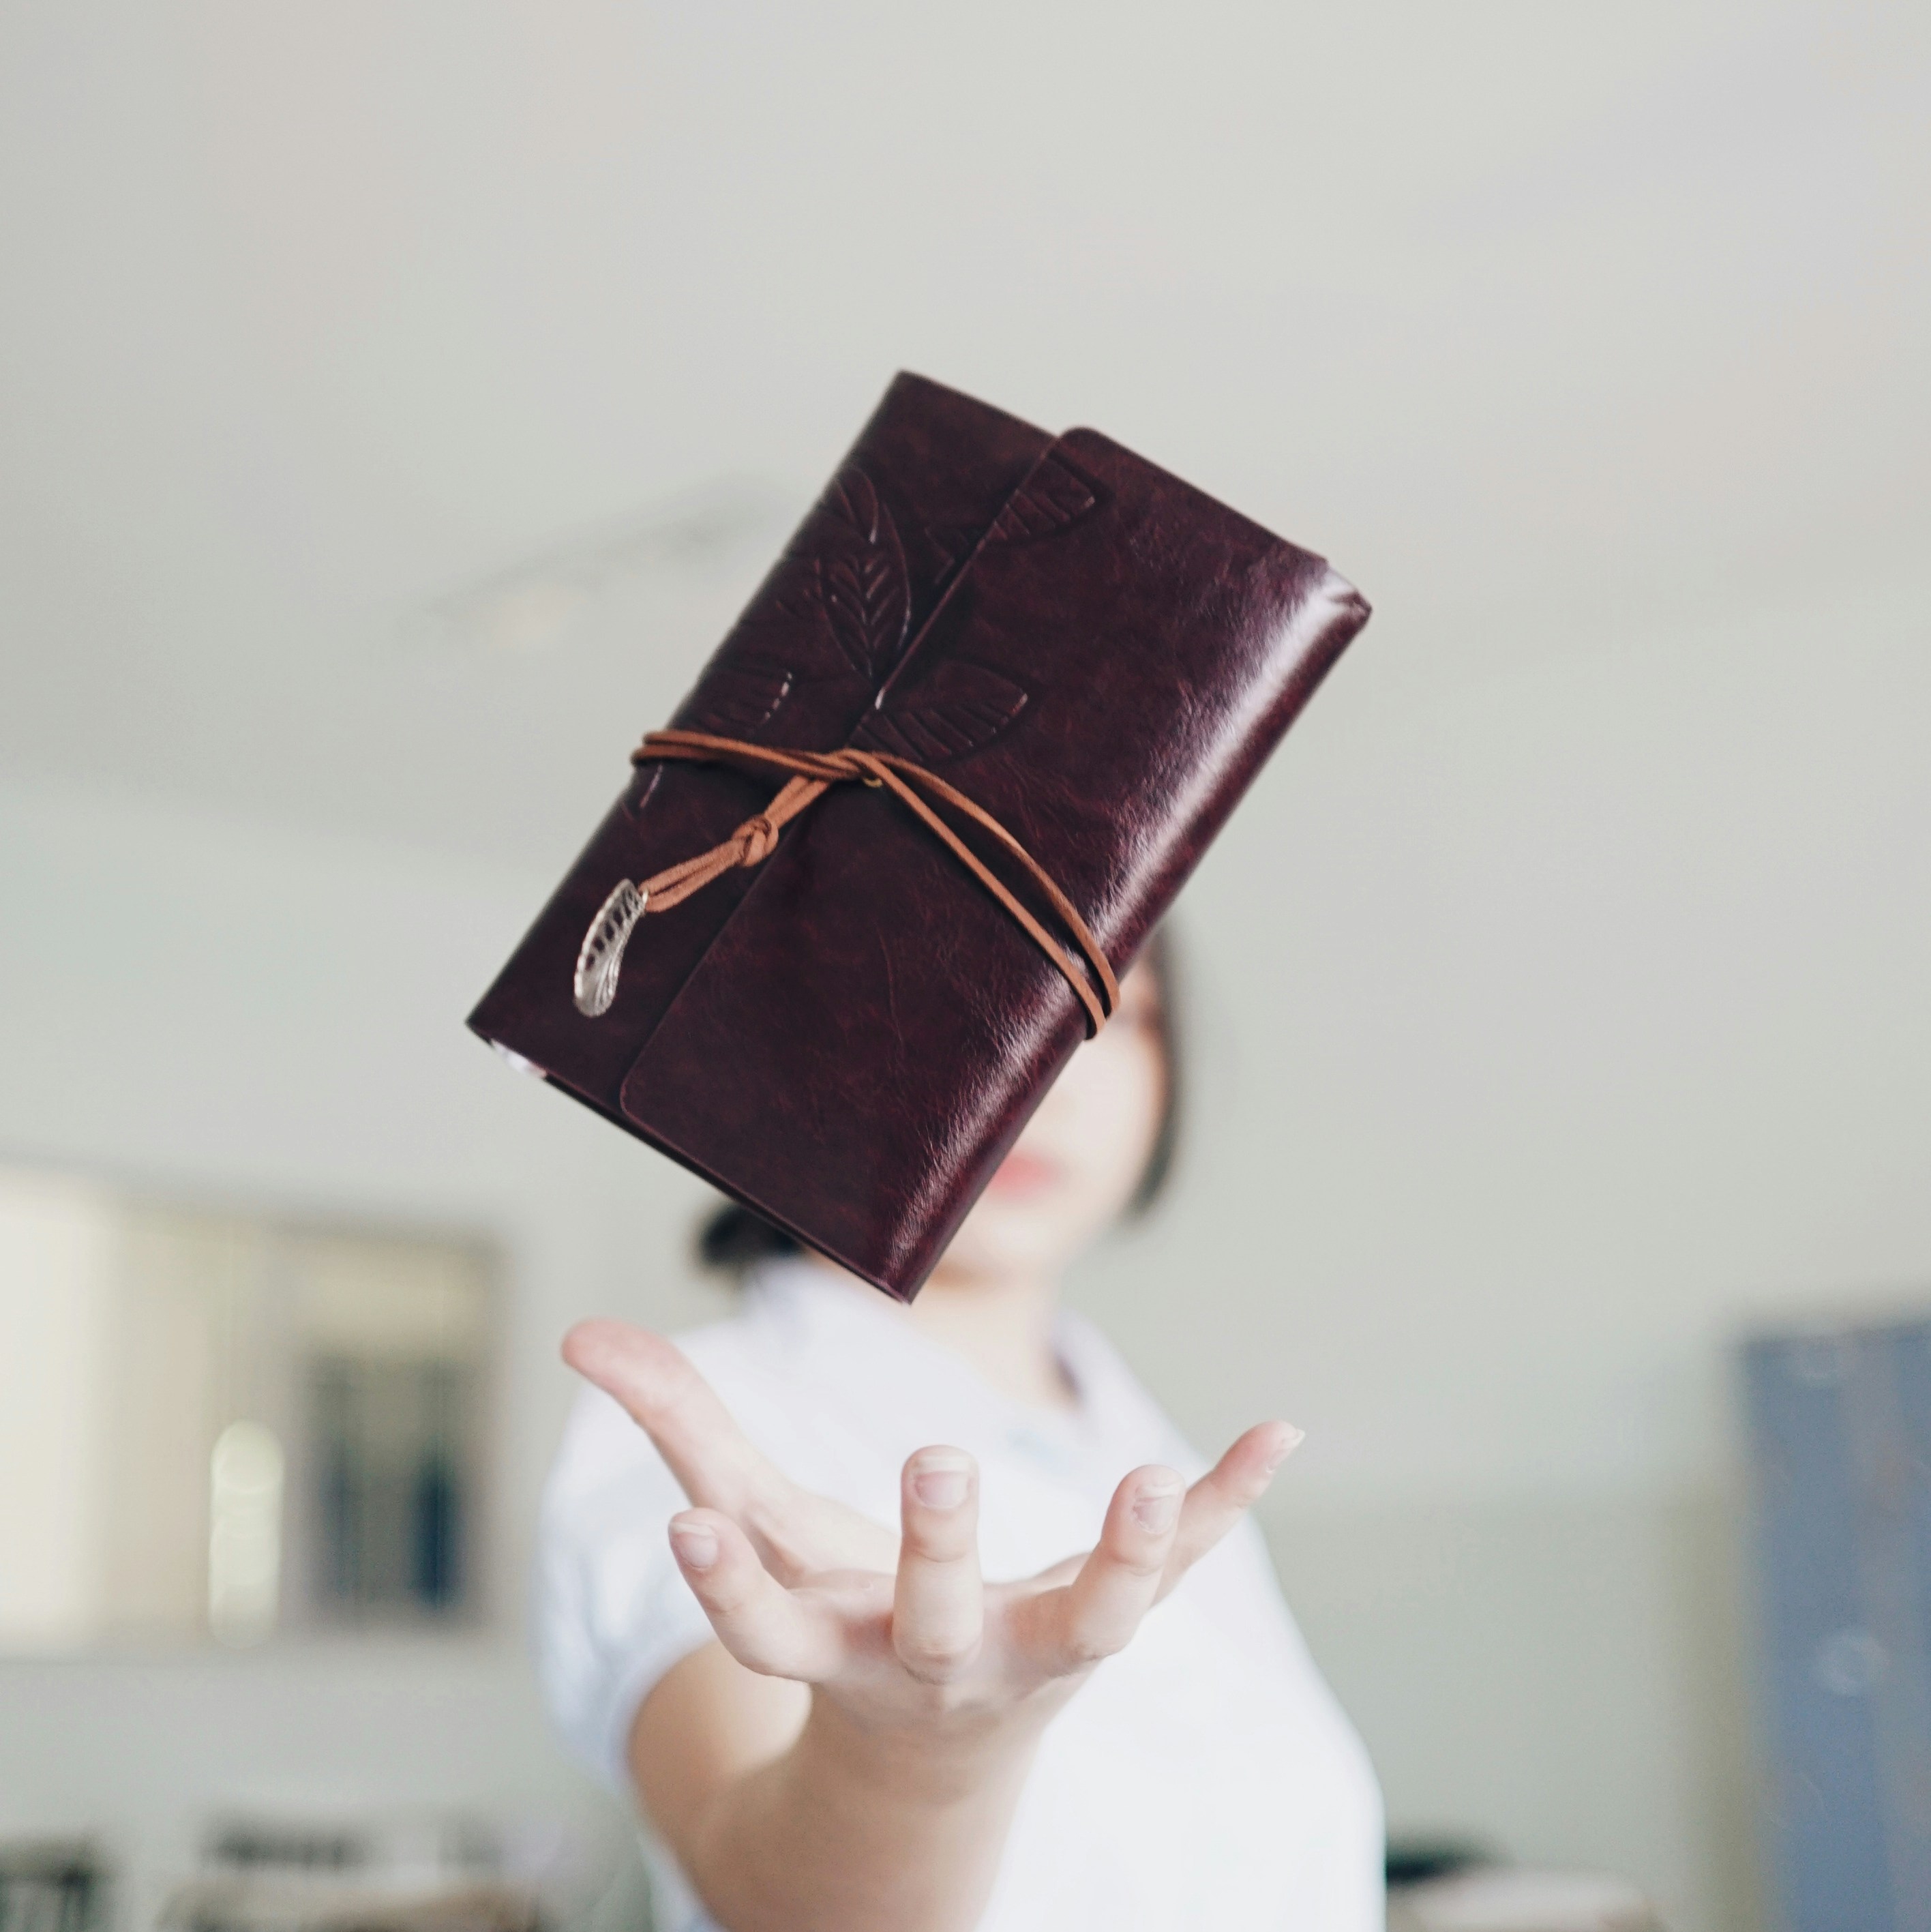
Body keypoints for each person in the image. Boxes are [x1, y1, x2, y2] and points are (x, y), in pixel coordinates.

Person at [537, 936, 1384, 1932]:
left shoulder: (1171, 1465)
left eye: (1104, 1013)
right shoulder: (699, 1427)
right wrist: (913, 1756)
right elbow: (767, 1886)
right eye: (976, 991)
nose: (1043, 1068)